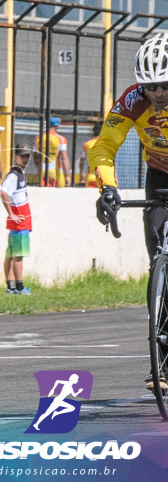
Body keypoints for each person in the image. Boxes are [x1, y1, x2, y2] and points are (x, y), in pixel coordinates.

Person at [90, 30, 168, 391]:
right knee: (160, 264)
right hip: (160, 175)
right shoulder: (132, 101)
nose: (158, 95)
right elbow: (104, 146)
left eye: (164, 86)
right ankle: (163, 363)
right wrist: (108, 188)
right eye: (150, 87)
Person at [0, 144, 33, 295]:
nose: (26, 159)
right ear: (16, 157)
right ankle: (19, 287)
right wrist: (11, 213)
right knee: (18, 255)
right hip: (20, 221)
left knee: (11, 253)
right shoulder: (14, 175)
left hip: (19, 220)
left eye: (28, 156)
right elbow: (3, 192)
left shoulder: (20, 173)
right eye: (23, 156)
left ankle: (10, 286)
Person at [34, 116, 70, 187]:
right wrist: (68, 175)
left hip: (42, 171)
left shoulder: (38, 138)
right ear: (57, 126)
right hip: (55, 172)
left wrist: (39, 168)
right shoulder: (60, 139)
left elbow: (35, 156)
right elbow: (64, 158)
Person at [78, 121, 101, 187]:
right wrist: (115, 177)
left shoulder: (87, 144)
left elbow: (82, 160)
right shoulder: (107, 144)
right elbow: (112, 162)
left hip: (91, 175)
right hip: (104, 176)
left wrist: (81, 172)